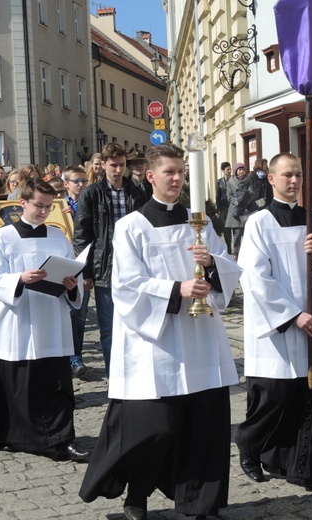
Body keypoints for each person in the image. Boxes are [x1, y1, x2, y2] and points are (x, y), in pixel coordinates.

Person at [79, 143, 241, 520]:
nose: (177, 178)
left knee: (203, 424)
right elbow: (127, 285)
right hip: (158, 342)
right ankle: (137, 495)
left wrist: (211, 264)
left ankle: (201, 503)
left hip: (200, 338)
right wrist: (176, 289)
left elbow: (229, 268)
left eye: (181, 171)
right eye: (169, 172)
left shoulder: (198, 220)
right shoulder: (131, 226)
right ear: (150, 176)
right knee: (156, 427)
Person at [235, 152, 312, 498]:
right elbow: (255, 278)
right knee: (278, 397)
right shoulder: (258, 223)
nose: (294, 181)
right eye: (287, 175)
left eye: (298, 175)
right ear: (271, 178)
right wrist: (292, 314)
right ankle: (250, 444)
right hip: (282, 327)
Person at [0, 179, 89, 462]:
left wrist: (71, 284)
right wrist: (19, 278)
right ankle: (16, 435)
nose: (43, 212)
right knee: (18, 384)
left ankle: (61, 439)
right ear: (23, 203)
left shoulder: (57, 237)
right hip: (16, 319)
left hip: (51, 319)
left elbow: (72, 276)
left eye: (48, 207)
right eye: (38, 206)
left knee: (55, 383)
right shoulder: (3, 238)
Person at [73, 143, 146, 376]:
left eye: (122, 165)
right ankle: (115, 373)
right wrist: (85, 272)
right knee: (109, 327)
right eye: (113, 165)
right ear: (103, 165)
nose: (118, 170)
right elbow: (82, 235)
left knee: (136, 323)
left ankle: (135, 369)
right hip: (105, 266)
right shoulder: (91, 193)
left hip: (134, 265)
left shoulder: (137, 193)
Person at [63, 165, 90, 377]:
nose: (80, 185)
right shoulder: (57, 205)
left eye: (83, 181)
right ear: (66, 184)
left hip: (82, 264)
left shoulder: (89, 203)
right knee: (64, 313)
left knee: (79, 314)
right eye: (76, 181)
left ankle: (76, 358)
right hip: (61, 263)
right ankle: (65, 358)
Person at [224, 162, 252, 258]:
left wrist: (246, 199)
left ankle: (246, 251)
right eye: (239, 170)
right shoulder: (231, 182)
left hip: (246, 208)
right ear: (236, 171)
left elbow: (252, 192)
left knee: (247, 231)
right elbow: (229, 196)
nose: (241, 171)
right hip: (235, 209)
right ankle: (236, 252)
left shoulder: (248, 180)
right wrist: (237, 202)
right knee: (237, 233)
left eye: (243, 169)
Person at [216, 161, 233, 254]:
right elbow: (217, 196)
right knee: (226, 228)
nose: (229, 171)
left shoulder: (233, 180)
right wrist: (218, 209)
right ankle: (229, 247)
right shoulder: (219, 182)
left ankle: (236, 246)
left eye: (230, 169)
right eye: (227, 169)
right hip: (223, 208)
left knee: (234, 227)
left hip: (233, 207)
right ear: (223, 170)